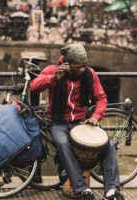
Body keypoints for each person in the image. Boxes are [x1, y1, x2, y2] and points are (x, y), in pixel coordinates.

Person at [30, 44, 124, 200]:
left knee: (108, 145)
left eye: (83, 67)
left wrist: (95, 116)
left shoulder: (89, 74)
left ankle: (112, 190)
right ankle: (82, 189)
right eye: (77, 68)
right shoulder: (54, 70)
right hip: (58, 122)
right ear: (67, 64)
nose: (81, 70)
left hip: (82, 121)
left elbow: (101, 98)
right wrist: (54, 79)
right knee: (63, 143)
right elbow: (34, 87)